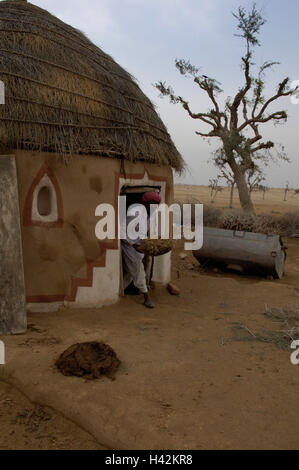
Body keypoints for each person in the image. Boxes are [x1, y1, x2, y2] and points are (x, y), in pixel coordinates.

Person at [121, 191, 161, 309]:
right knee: (138, 272)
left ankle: (118, 291)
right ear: (145, 203)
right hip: (129, 246)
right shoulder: (134, 213)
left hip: (140, 247)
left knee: (130, 273)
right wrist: (133, 245)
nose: (153, 206)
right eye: (151, 203)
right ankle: (146, 297)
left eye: (156, 203)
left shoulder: (153, 213)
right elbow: (123, 232)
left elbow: (147, 229)